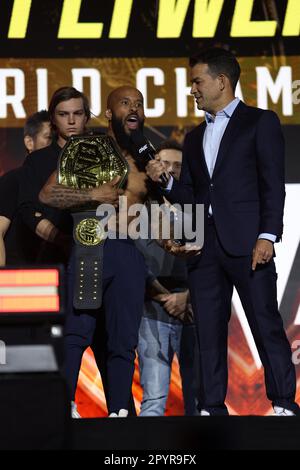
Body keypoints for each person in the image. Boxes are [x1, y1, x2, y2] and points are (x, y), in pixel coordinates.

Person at [146, 47, 299, 416]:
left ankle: (282, 403)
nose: (192, 89)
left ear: (221, 81)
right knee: (209, 332)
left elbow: (272, 184)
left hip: (248, 243)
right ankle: (211, 407)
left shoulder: (260, 122)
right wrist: (166, 183)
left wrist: (268, 235)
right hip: (205, 246)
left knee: (265, 322)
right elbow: (193, 195)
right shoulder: (196, 138)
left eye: (197, 81)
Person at [38, 86, 152, 417]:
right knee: (77, 333)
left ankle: (119, 410)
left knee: (123, 341)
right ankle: (64, 405)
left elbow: (157, 209)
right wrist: (91, 195)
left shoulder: (147, 156)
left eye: (139, 104)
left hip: (129, 252)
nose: (134, 108)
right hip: (92, 246)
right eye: (126, 103)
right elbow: (47, 195)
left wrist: (172, 238)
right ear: (108, 112)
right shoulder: (89, 147)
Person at [136, 140, 199, 416]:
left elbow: (213, 262)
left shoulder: (198, 208)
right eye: (165, 164)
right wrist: (165, 297)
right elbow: (133, 261)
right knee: (153, 400)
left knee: (201, 399)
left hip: (194, 310)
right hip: (151, 308)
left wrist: (187, 297)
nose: (170, 170)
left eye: (178, 166)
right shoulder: (138, 207)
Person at [0, 110, 52, 266]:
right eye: (49, 138)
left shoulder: (69, 183)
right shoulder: (13, 180)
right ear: (29, 142)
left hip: (61, 275)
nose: (55, 145)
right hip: (23, 280)